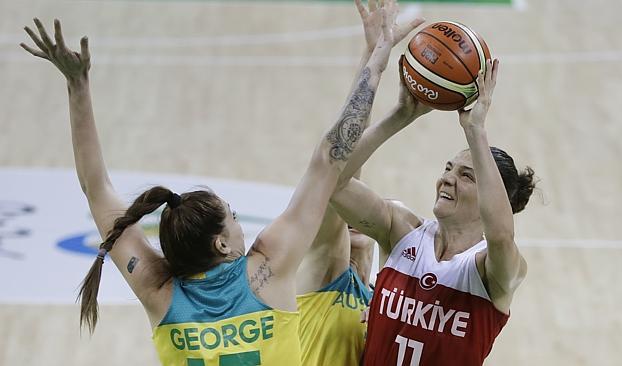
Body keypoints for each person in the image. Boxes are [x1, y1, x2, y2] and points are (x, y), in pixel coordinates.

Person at [20, 6, 399, 364]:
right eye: (232, 216)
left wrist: (77, 85)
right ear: (221, 242)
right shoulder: (267, 268)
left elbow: (95, 187)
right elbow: (330, 158)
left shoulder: (159, 292)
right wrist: (375, 62)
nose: (238, 223)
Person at [331, 58, 537, 365]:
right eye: (448, 168)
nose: (447, 178)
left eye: (467, 176)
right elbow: (334, 181)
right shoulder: (400, 229)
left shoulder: (493, 269)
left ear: (494, 199)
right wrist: (398, 117)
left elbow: (501, 234)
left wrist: (475, 130)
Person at [294, 2, 423, 365]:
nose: (351, 216)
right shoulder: (323, 270)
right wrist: (373, 59)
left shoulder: (382, 303)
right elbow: (340, 161)